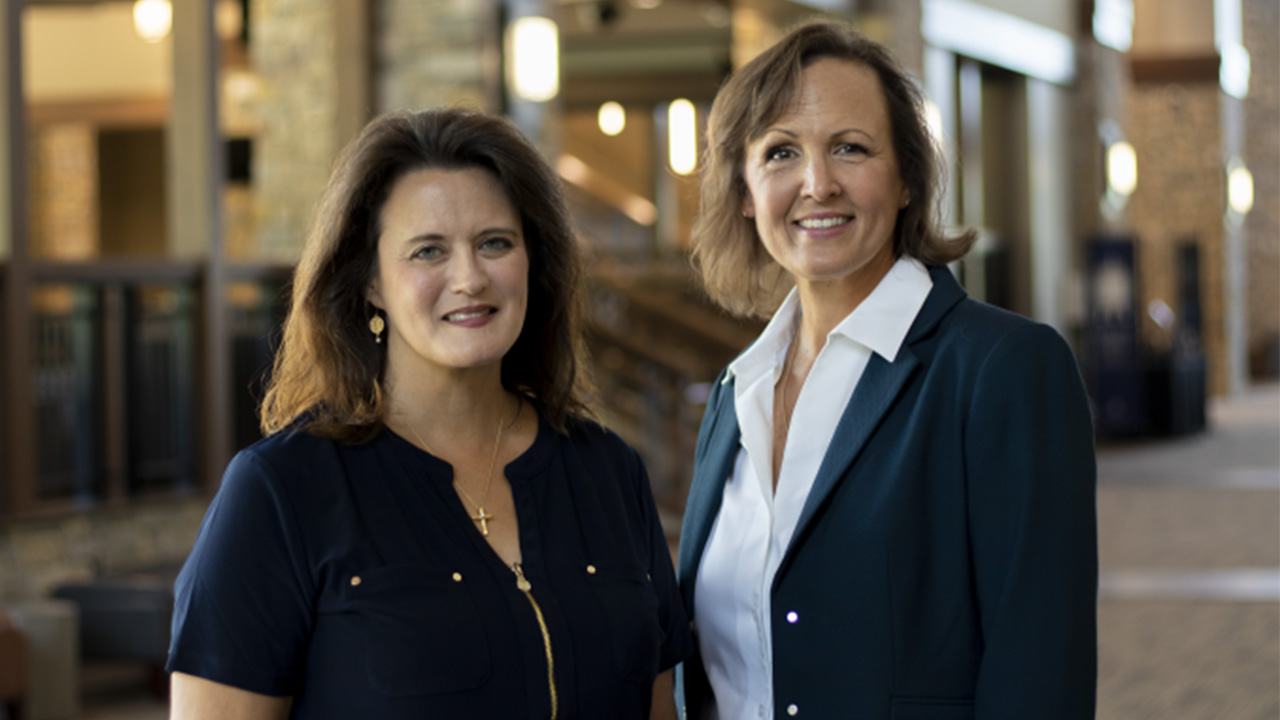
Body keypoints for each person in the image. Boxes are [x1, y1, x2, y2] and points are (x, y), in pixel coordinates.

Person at [167, 108, 691, 719]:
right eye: (427, 251)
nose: (469, 278)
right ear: (370, 283)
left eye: (495, 243)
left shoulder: (608, 472)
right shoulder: (283, 491)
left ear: (533, 262)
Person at [675, 21, 1097, 720]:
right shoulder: (735, 393)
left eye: (850, 147)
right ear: (745, 192)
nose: (818, 184)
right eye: (780, 152)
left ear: (906, 178)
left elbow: (1039, 672)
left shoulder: (1004, 371)